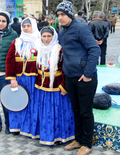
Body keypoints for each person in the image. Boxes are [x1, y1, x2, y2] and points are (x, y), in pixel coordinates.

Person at [56, 1, 101, 154]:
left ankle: (87, 144)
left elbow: (95, 50)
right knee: (75, 110)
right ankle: (79, 139)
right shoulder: (61, 32)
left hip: (84, 78)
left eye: (62, 15)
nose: (60, 18)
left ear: (69, 14)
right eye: (58, 15)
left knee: (85, 111)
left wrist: (88, 74)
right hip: (70, 77)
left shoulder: (81, 28)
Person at [35, 26, 74, 145]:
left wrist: (64, 85)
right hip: (42, 87)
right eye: (44, 36)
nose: (46, 39)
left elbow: (65, 69)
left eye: (49, 36)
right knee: (45, 113)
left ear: (54, 36)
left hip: (57, 87)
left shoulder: (59, 50)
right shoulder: (38, 48)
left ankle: (59, 136)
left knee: (57, 112)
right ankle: (46, 135)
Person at [5, 17, 39, 137]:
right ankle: (17, 127)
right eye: (24, 26)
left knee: (33, 103)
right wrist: (12, 78)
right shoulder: (16, 42)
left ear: (33, 26)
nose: (26, 28)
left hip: (34, 78)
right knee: (18, 101)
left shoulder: (39, 41)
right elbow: (9, 60)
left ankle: (31, 128)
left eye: (28, 26)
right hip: (19, 79)